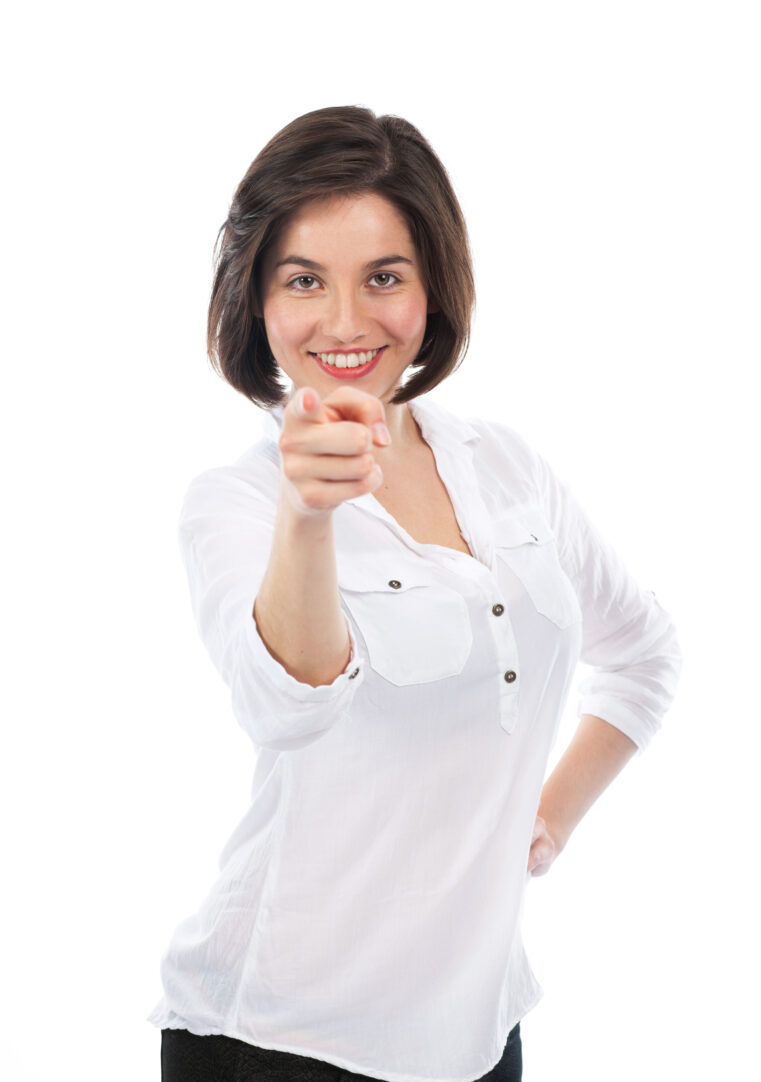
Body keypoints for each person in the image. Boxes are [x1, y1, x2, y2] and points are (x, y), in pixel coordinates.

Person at [148, 106, 682, 1082]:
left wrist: (548, 815)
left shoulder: (508, 466)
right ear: (257, 300)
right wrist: (308, 513)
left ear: (432, 287)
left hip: (479, 1034)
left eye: (383, 276)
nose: (346, 322)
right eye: (303, 279)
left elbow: (644, 653)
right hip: (280, 1038)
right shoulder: (235, 501)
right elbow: (286, 704)